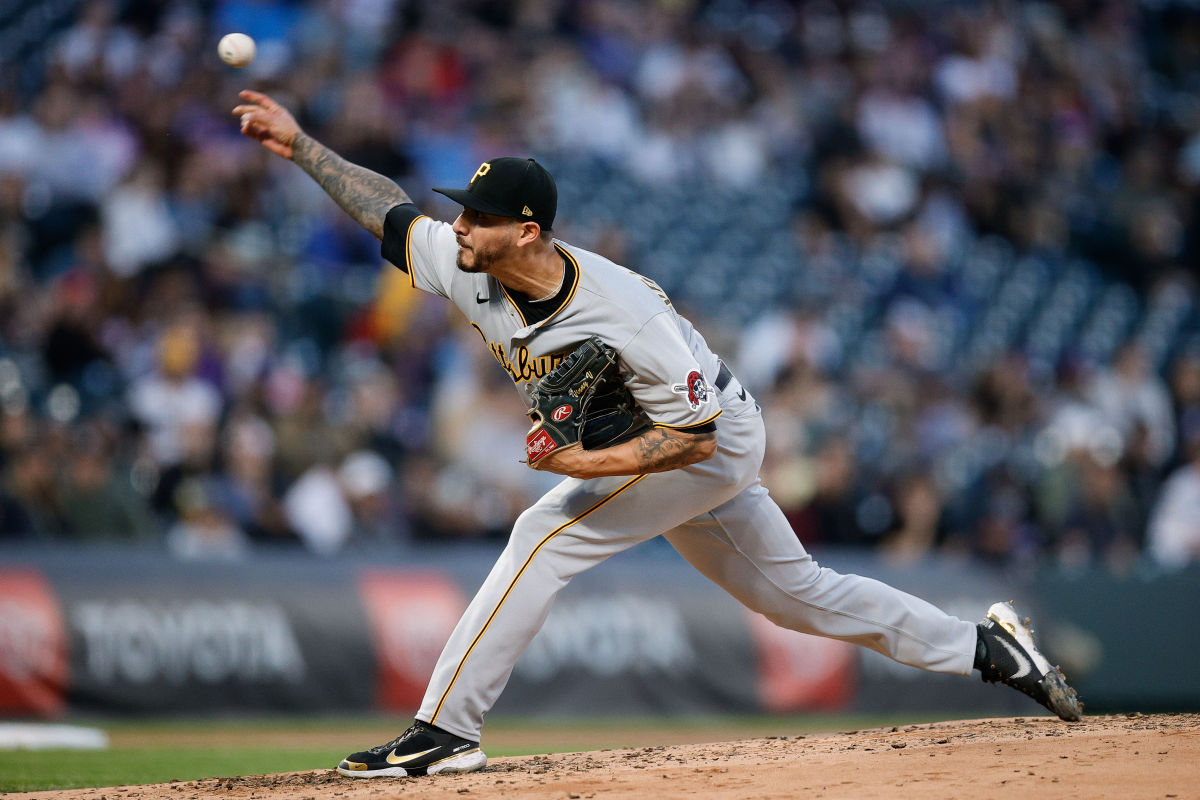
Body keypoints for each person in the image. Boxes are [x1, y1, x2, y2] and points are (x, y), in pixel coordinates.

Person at [233, 89, 1083, 779]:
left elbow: (700, 440)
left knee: (544, 529)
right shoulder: (468, 268)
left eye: (477, 217)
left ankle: (446, 731)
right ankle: (988, 647)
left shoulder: (624, 314)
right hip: (669, 447)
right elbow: (388, 213)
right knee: (798, 597)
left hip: (710, 434)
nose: (457, 227)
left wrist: (585, 461)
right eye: (460, 214)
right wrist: (303, 143)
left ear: (526, 230)